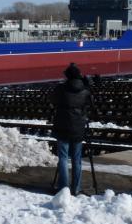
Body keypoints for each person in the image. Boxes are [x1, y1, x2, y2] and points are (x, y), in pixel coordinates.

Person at [50, 62, 92, 195]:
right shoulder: (85, 90)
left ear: (67, 76)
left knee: (63, 158)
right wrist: (88, 85)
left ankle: (63, 188)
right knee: (77, 158)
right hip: (78, 127)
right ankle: (76, 188)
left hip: (62, 126)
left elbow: (51, 100)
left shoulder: (60, 89)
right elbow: (91, 104)